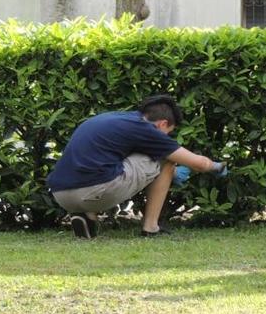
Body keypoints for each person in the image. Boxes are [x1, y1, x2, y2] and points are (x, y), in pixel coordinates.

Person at [47, 94, 227, 238]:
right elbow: (200, 164)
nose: (166, 136)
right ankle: (151, 227)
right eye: (168, 132)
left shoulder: (114, 119)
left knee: (105, 167)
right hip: (94, 191)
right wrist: (217, 167)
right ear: (163, 123)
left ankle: (87, 217)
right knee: (167, 158)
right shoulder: (145, 129)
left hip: (61, 194)